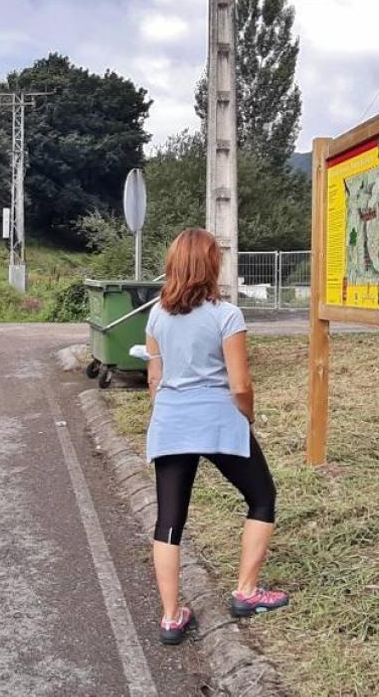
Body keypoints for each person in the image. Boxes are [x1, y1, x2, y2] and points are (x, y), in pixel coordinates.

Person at [143, 228, 288, 646]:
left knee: (169, 520)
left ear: (174, 264)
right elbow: (240, 385)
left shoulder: (156, 315)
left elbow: (155, 377)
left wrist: (167, 413)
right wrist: (247, 418)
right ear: (210, 265)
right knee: (262, 497)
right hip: (218, 419)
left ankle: (172, 617)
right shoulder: (227, 315)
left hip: (171, 419)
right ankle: (246, 592)